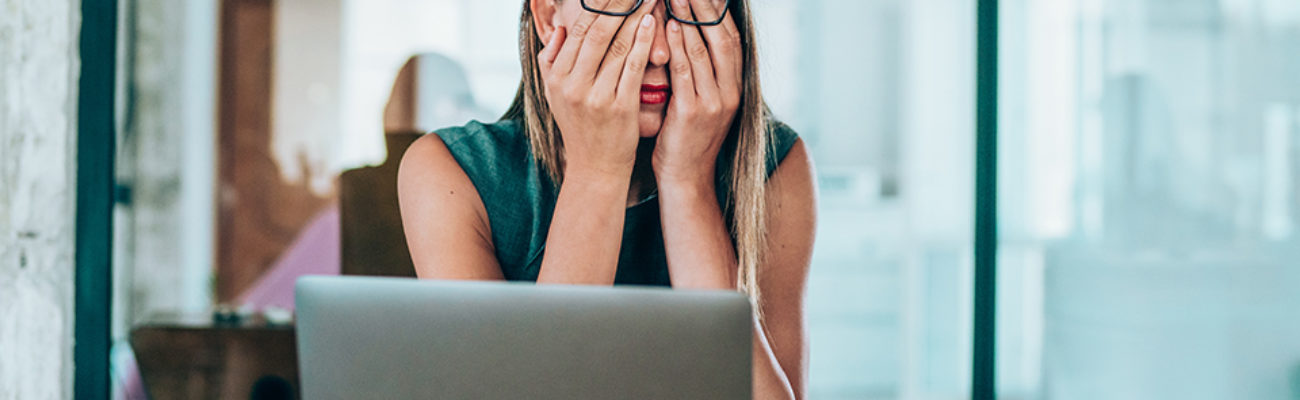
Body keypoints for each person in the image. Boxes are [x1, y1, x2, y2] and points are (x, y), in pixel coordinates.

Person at [397, 0, 816, 397]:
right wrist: (597, 172)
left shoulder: (776, 167)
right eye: (620, 3)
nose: (658, 50)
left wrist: (688, 185)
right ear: (547, 16)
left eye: (685, 6)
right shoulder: (452, 173)